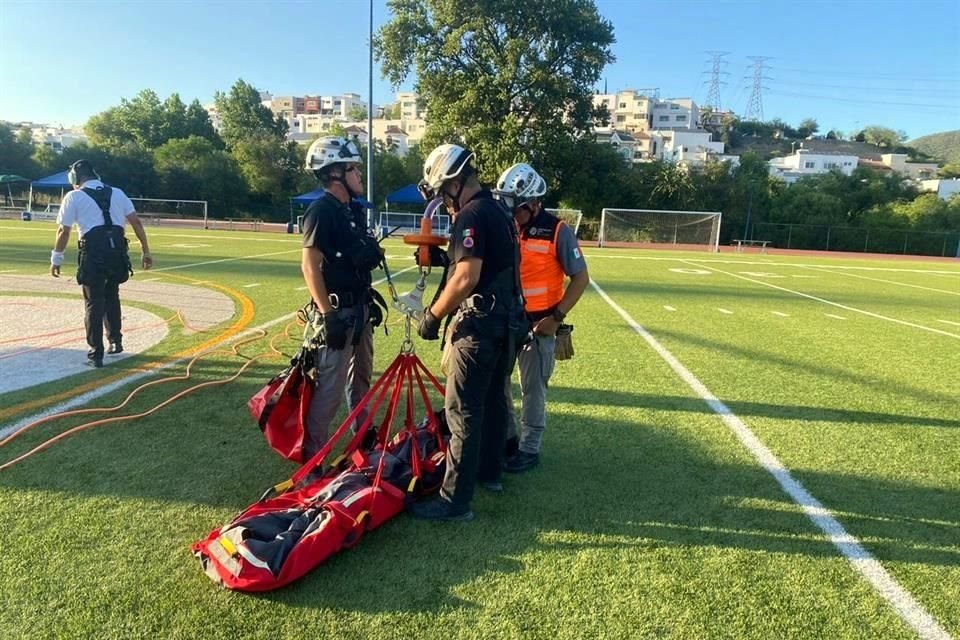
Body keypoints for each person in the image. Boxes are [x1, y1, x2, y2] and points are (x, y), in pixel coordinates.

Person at [412, 143, 526, 522]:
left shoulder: (471, 214)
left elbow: (467, 277)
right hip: (506, 324)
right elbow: (491, 265)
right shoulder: (498, 210)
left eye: (442, 192)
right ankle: (490, 474)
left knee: (462, 411)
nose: (442, 201)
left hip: (478, 328)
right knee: (494, 403)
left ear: (454, 182)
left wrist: (432, 316)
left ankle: (453, 501)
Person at [493, 163, 589, 473]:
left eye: (516, 207)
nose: (510, 212)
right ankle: (507, 440)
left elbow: (581, 278)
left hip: (540, 324)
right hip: (506, 321)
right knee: (499, 384)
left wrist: (556, 318)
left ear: (533, 204)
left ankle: (529, 449)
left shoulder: (558, 230)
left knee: (533, 389)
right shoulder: (505, 226)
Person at [300, 136, 383, 460]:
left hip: (360, 307)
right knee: (329, 389)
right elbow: (309, 267)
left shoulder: (351, 211)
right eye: (354, 168)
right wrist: (328, 315)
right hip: (337, 312)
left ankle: (362, 434)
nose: (360, 175)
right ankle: (313, 457)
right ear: (335, 173)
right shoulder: (321, 210)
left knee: (361, 376)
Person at [50, 159, 153, 368]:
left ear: (75, 178)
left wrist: (56, 257)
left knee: (93, 303)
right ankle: (115, 341)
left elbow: (64, 231)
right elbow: (136, 222)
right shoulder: (118, 192)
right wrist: (145, 250)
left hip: (93, 253)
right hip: (117, 253)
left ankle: (96, 353)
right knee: (112, 296)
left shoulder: (74, 196)